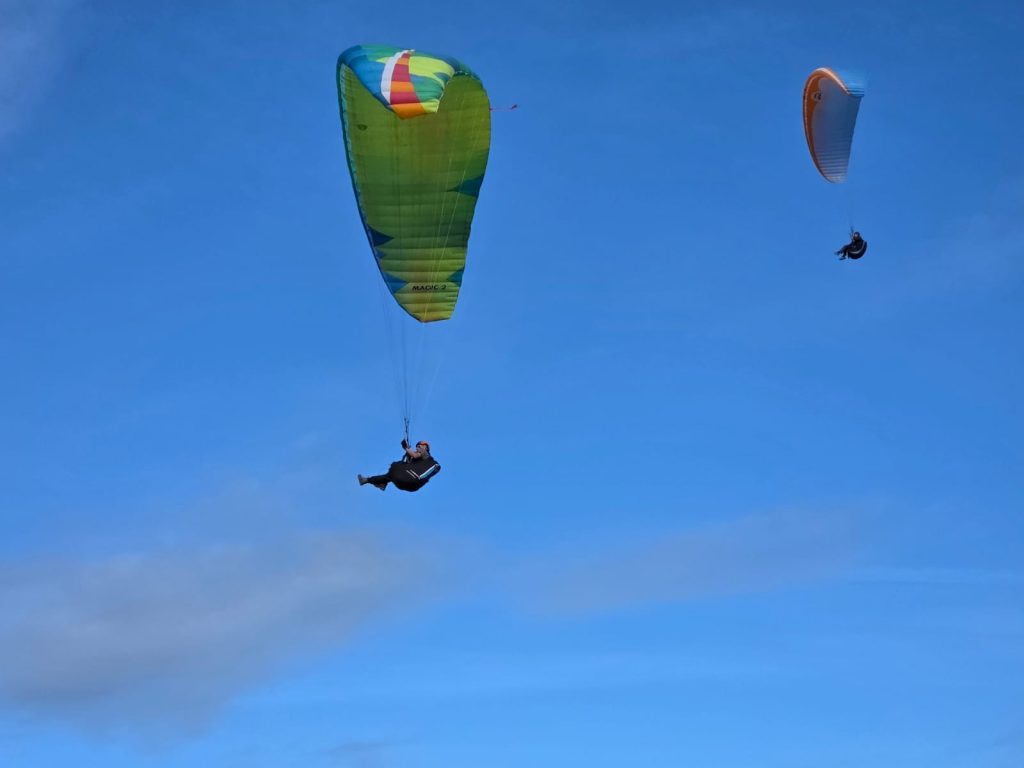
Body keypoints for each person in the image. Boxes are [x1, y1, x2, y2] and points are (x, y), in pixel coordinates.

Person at [358, 439, 441, 492]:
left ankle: (378, 482)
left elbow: (415, 455)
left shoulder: (425, 454)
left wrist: (406, 448)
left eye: (420, 446)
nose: (417, 448)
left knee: (395, 467)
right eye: (417, 447)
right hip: (410, 485)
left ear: (425, 447)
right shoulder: (414, 461)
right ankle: (368, 481)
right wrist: (407, 452)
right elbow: (405, 462)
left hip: (410, 479)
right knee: (393, 473)